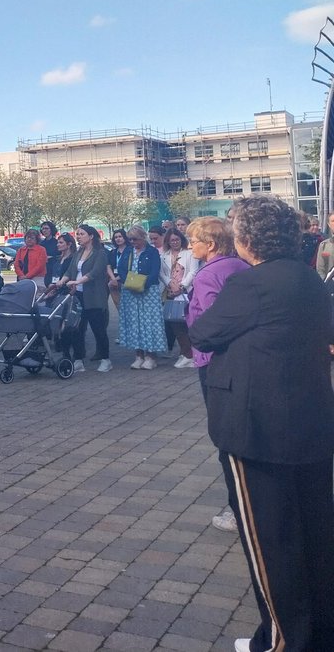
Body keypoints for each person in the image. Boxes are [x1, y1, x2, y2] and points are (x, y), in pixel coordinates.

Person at [190, 195, 334, 652]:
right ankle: (318, 630)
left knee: (271, 542)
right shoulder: (309, 278)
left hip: (257, 430)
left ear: (247, 239)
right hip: (309, 422)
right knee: (314, 533)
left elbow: (203, 331)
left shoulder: (253, 284)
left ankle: (282, 640)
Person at [184, 216, 250, 534]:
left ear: (209, 244)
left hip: (212, 361)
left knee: (224, 434)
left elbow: (212, 321)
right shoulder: (240, 267)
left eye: (193, 241)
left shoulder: (208, 274)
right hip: (241, 359)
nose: (189, 246)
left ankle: (238, 509)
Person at [50, 224, 112, 372]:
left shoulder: (100, 253)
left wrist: (78, 281)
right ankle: (78, 359)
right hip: (78, 295)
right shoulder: (78, 253)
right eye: (77, 234)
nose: (78, 236)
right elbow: (70, 270)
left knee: (98, 329)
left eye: (82, 234)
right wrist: (62, 281)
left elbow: (95, 272)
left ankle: (105, 359)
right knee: (76, 328)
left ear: (91, 236)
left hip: (94, 297)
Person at [118, 225, 168, 369]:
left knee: (149, 323)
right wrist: (128, 281)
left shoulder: (152, 252)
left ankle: (151, 356)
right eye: (130, 239)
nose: (133, 242)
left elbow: (155, 271)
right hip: (130, 292)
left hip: (148, 292)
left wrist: (142, 284)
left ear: (142, 237)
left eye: (135, 239)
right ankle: (138, 355)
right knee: (135, 323)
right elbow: (121, 268)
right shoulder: (128, 251)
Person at [160, 227, 198, 368]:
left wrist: (181, 286)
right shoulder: (164, 255)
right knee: (175, 324)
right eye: (171, 240)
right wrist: (170, 284)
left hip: (186, 292)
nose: (174, 242)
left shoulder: (189, 254)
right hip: (170, 292)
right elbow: (162, 273)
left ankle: (191, 354)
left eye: (177, 239)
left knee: (187, 324)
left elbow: (193, 271)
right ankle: (185, 353)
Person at [107, 228, 130, 312]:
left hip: (126, 281)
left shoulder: (130, 250)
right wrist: (113, 279)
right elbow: (108, 266)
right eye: (116, 237)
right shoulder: (113, 252)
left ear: (125, 237)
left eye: (120, 236)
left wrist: (117, 279)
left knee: (128, 307)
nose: (118, 239)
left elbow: (130, 267)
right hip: (113, 283)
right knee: (119, 307)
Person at [39, 222, 59, 286]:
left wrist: (51, 257)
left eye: (47, 228)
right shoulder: (41, 244)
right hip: (44, 269)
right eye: (43, 229)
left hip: (54, 269)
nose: (44, 230)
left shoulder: (57, 243)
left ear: (51, 229)